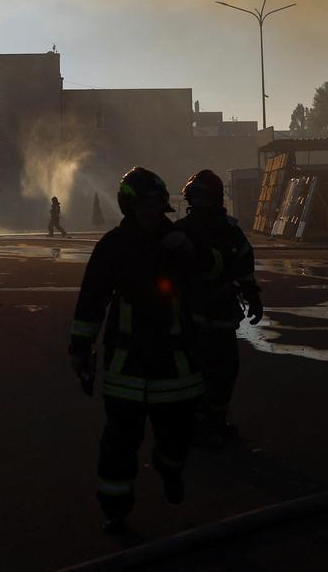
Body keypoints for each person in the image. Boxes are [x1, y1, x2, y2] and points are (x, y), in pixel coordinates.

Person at [69, 167, 215, 534]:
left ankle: (169, 467)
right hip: (127, 366)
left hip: (176, 364)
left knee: (179, 436)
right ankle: (115, 511)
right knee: (119, 445)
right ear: (130, 207)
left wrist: (194, 253)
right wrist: (80, 352)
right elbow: (91, 302)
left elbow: (216, 272)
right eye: (147, 208)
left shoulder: (181, 241)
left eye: (158, 208)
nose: (154, 216)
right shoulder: (113, 247)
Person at [176, 169, 262, 443]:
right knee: (202, 369)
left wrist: (252, 294)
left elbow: (244, 264)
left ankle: (215, 419)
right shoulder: (184, 232)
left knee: (223, 369)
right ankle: (202, 420)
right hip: (193, 314)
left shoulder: (223, 231)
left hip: (215, 312)